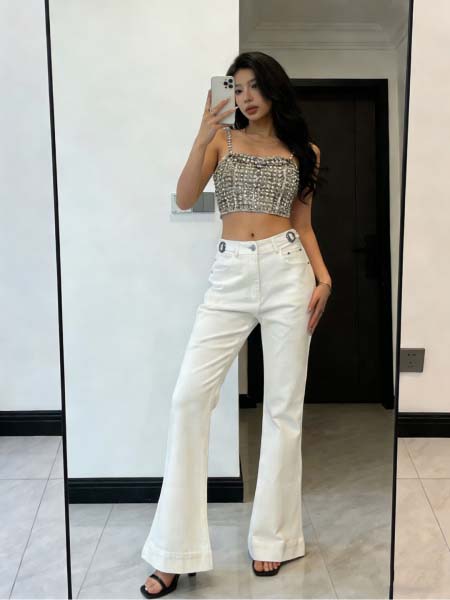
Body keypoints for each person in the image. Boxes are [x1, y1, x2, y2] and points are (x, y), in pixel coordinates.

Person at [140, 51, 332, 598]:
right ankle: (174, 552)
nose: (245, 97)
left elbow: (304, 224)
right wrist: (203, 133)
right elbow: (184, 198)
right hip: (230, 274)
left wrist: (324, 278)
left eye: (254, 87)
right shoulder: (222, 140)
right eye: (237, 88)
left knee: (283, 408)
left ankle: (274, 537)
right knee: (188, 399)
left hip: (288, 271)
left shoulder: (304, 152)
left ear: (273, 89)